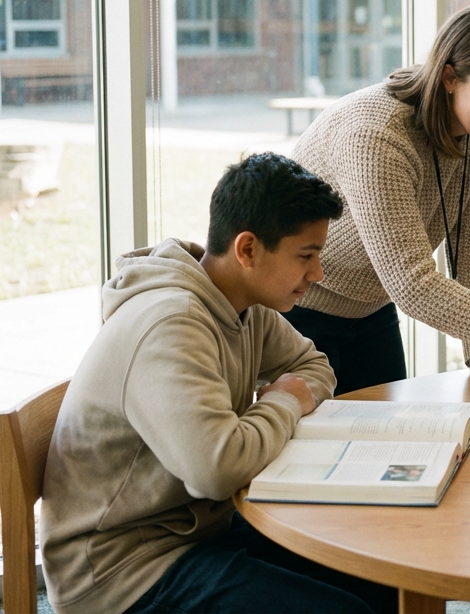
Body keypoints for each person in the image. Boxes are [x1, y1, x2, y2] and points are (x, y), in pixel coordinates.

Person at [41, 153, 397, 614]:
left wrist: (276, 403)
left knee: (376, 571)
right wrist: (282, 403)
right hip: (122, 569)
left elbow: (314, 366)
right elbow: (218, 469)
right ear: (247, 249)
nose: (317, 274)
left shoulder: (243, 304)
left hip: (198, 530)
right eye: (305, 256)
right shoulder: (170, 324)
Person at [287, 2, 470, 392]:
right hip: (296, 310)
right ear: (449, 77)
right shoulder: (377, 134)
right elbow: (412, 283)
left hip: (372, 310)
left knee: (385, 442)